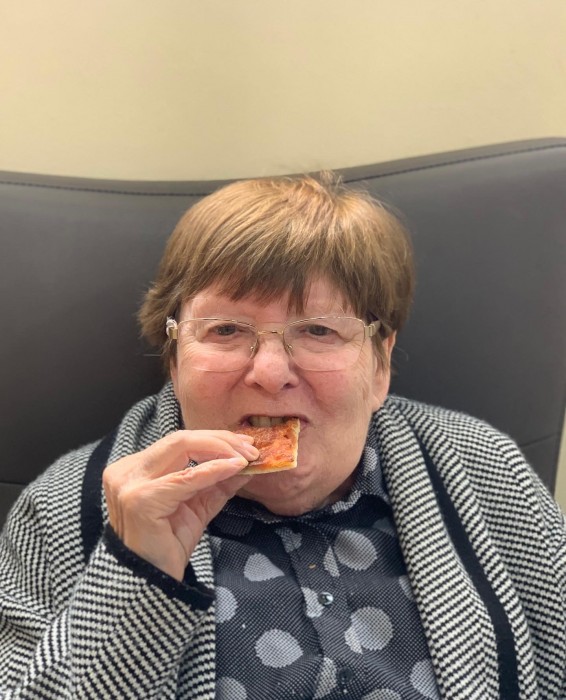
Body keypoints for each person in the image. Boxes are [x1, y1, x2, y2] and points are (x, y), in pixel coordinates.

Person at [0, 174, 564, 700]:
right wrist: (134, 576)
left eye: (318, 329)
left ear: (380, 365)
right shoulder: (61, 507)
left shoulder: (485, 467)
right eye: (225, 329)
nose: (269, 373)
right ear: (174, 360)